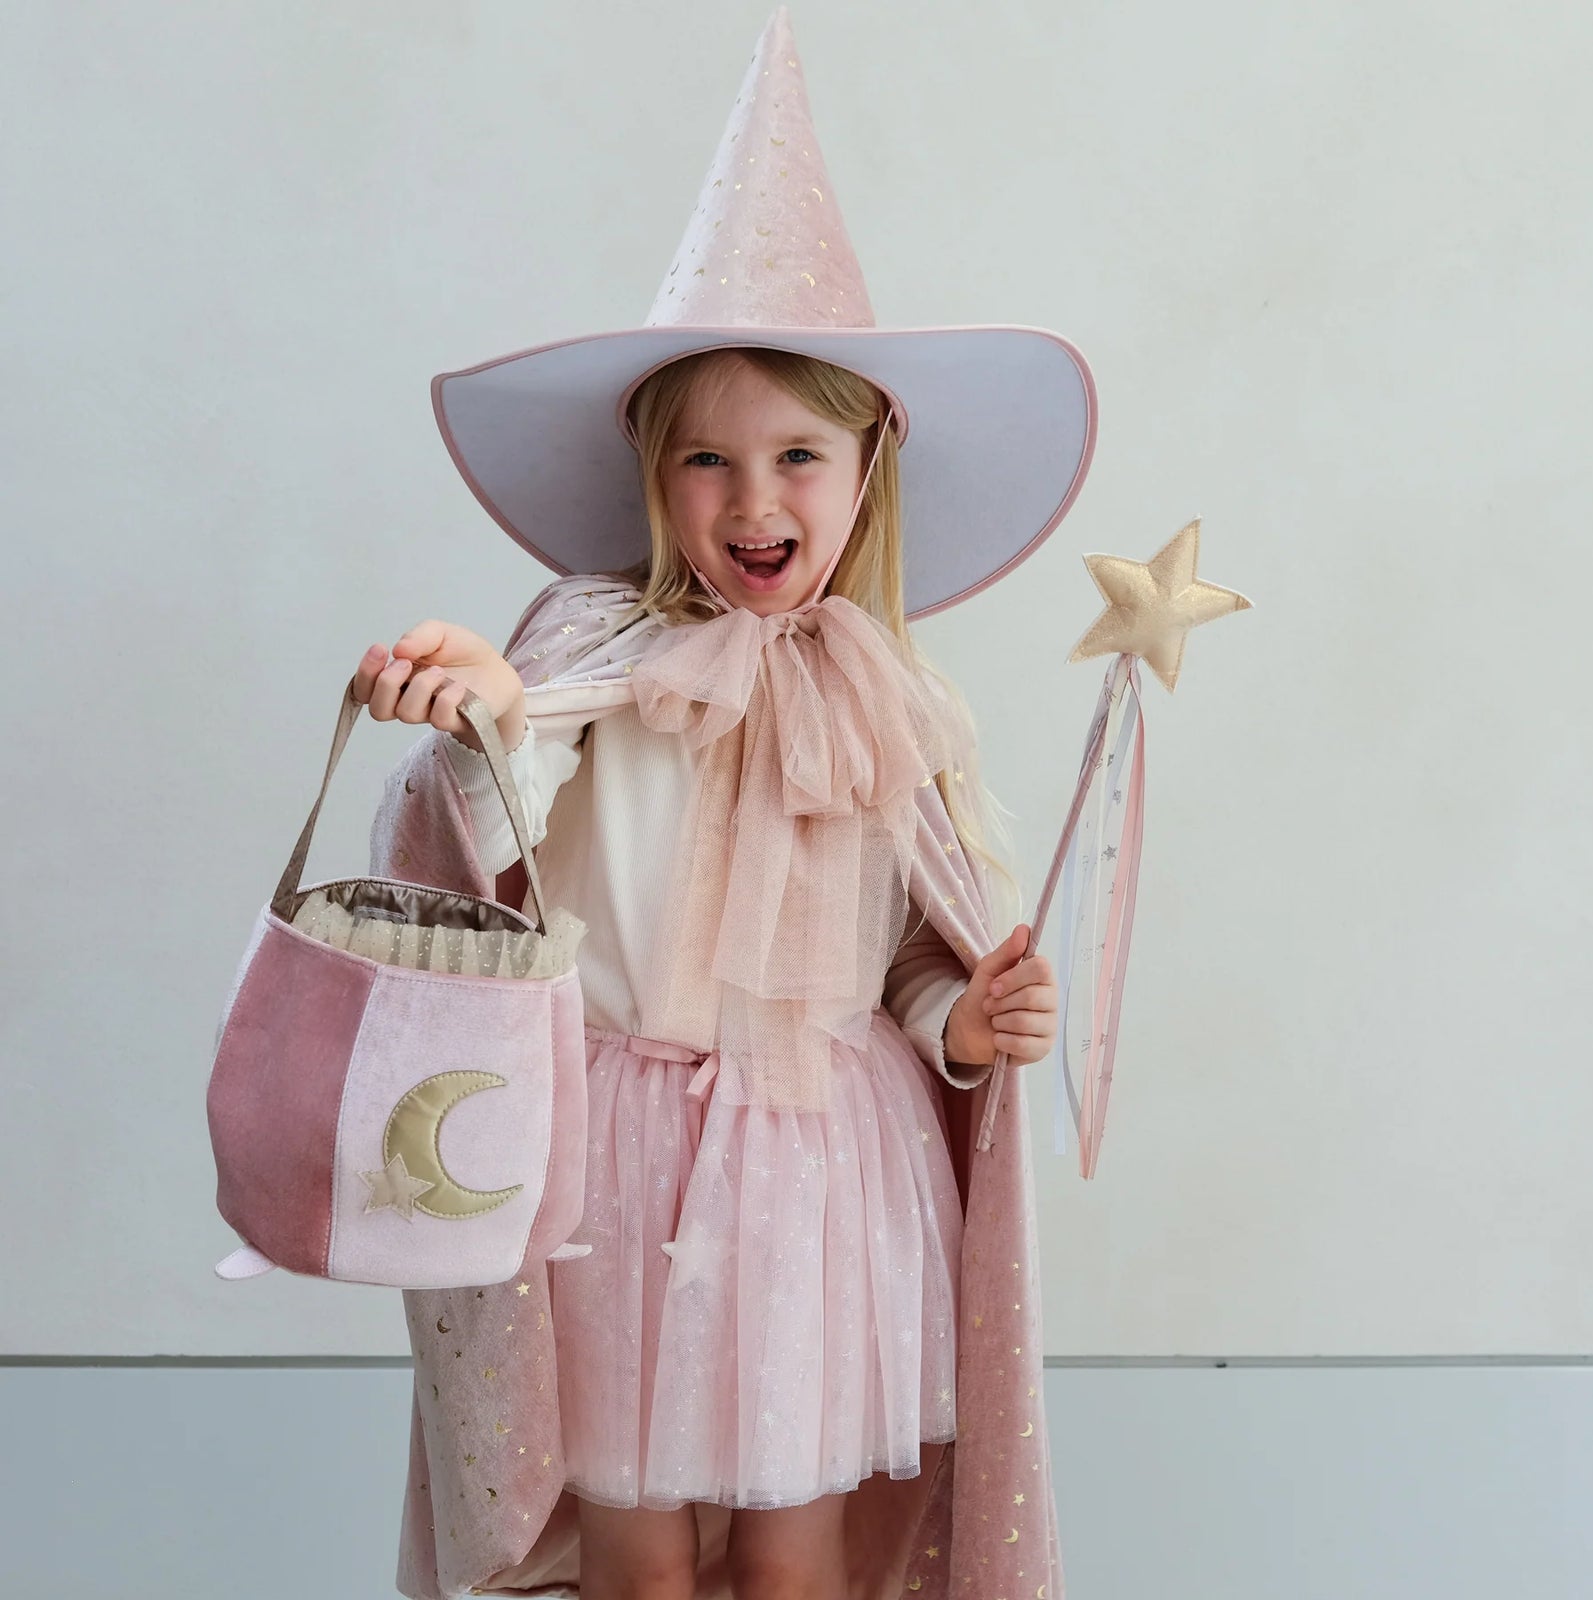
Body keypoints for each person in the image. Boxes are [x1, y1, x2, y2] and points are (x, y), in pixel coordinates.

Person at [360, 9, 1095, 1598]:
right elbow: (502, 812)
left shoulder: (901, 701)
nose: (753, 501)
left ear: (869, 465)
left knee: (796, 1542)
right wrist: (486, 710)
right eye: (706, 461)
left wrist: (962, 1024)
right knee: (633, 1543)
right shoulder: (594, 649)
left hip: (823, 1169)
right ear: (652, 471)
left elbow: (909, 953)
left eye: (797, 456)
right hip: (619, 1158)